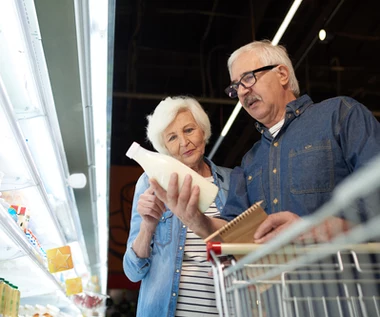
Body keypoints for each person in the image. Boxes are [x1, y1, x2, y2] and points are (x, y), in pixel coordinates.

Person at [150, 40, 380, 244]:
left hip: (349, 284)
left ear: (282, 74)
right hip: (280, 290)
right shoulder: (250, 161)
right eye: (235, 87)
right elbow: (234, 231)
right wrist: (197, 221)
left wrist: (317, 229)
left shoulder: (340, 115)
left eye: (248, 77)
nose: (242, 91)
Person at [123, 96, 231, 317]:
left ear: (203, 130)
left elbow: (248, 248)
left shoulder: (232, 181)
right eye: (172, 137)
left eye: (189, 130)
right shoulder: (150, 182)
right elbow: (132, 272)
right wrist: (147, 226)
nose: (184, 142)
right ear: (165, 148)